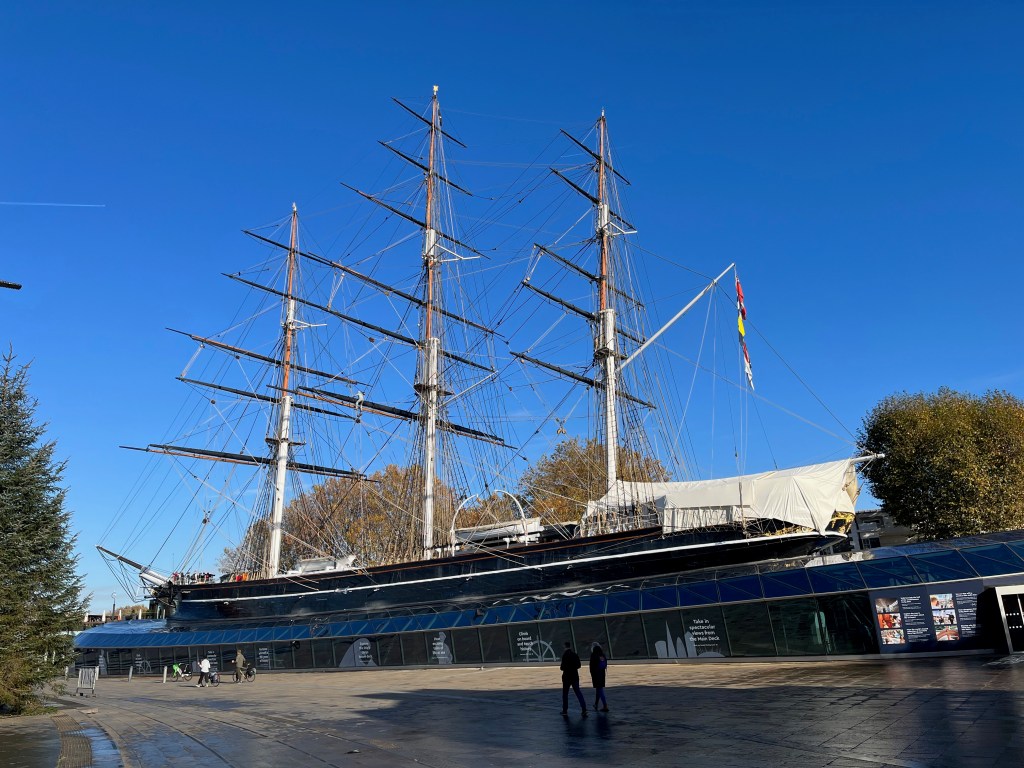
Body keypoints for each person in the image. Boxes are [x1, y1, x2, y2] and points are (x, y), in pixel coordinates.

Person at [559, 641, 587, 716]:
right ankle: (584, 709)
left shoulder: (564, 655)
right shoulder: (574, 654)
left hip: (567, 677)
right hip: (575, 676)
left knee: (565, 694)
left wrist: (566, 668)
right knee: (578, 692)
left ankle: (565, 710)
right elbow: (579, 665)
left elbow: (562, 667)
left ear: (564, 647)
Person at [589, 644, 609, 712]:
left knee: (600, 690)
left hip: (596, 675)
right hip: (602, 674)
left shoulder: (594, 656)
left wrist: (592, 674)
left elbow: (591, 667)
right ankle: (596, 704)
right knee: (599, 689)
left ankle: (605, 705)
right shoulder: (602, 655)